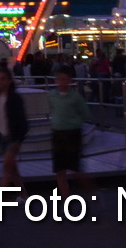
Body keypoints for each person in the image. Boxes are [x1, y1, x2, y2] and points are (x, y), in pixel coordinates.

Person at [47, 65, 89, 197]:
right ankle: (66, 202)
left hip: (72, 134)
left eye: (65, 79)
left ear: (69, 80)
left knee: (76, 170)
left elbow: (85, 114)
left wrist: (74, 122)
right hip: (58, 134)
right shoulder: (52, 95)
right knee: (60, 171)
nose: (62, 82)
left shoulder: (75, 97)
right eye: (60, 79)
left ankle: (92, 193)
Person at [0, 65, 29, 189]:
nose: (0, 82)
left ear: (9, 80)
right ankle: (23, 195)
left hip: (12, 138)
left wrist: (18, 140)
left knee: (7, 167)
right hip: (3, 137)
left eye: (2, 79)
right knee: (12, 169)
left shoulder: (14, 98)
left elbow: (22, 121)